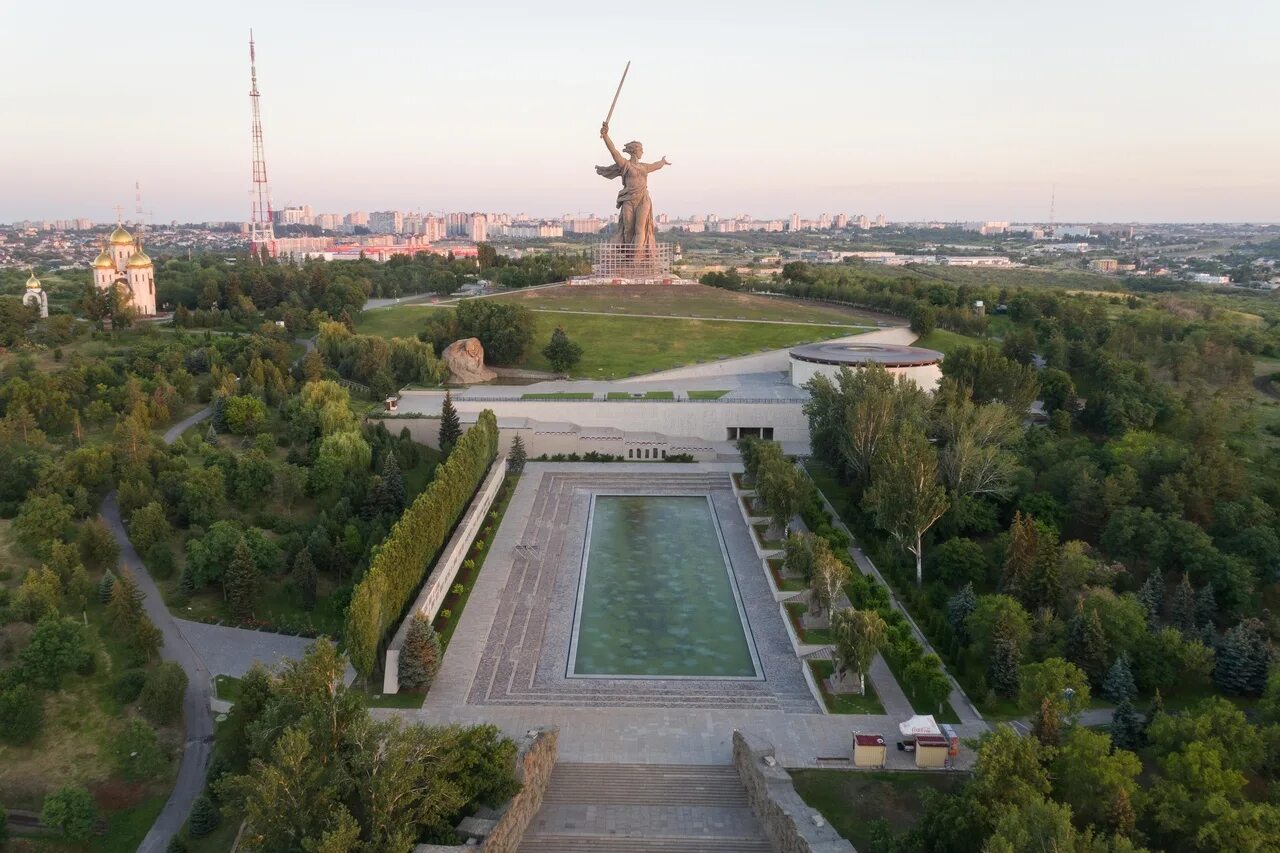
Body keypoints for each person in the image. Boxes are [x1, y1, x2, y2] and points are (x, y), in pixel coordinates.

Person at [595, 122, 670, 262]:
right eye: (641, 149)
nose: (643, 152)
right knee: (628, 230)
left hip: (643, 199)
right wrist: (605, 136)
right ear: (635, 150)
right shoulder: (625, 165)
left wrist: (662, 162)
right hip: (629, 200)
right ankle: (628, 258)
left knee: (640, 229)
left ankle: (636, 260)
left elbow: (656, 165)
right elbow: (614, 152)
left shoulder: (644, 167)